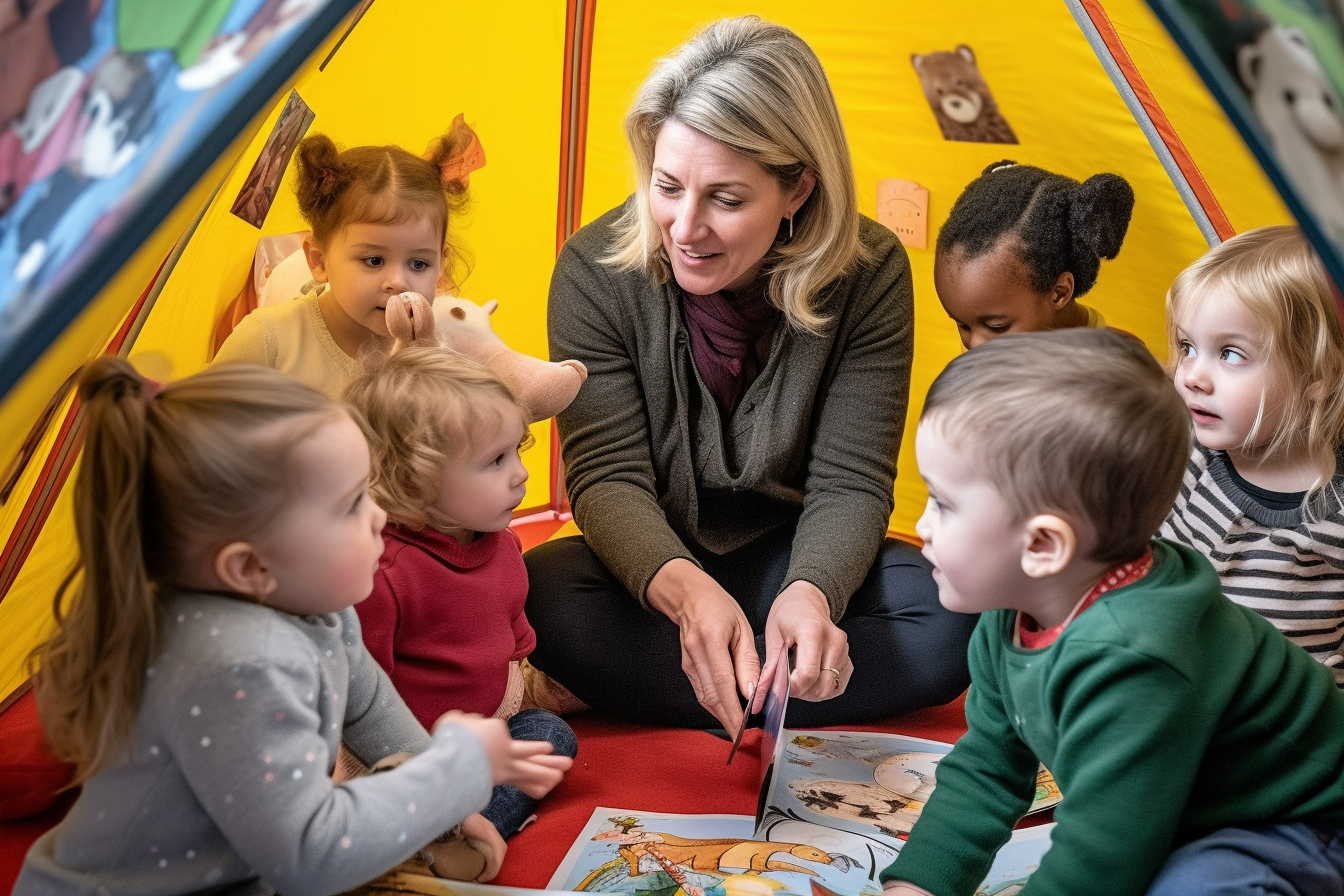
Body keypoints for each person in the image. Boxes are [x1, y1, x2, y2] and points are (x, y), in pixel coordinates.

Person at [524, 15, 977, 732]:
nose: (684, 227)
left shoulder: (871, 271)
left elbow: (853, 480)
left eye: (726, 200)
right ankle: (779, 688)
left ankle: (687, 683)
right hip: (658, 571)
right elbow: (607, 478)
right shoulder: (593, 269)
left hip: (791, 560)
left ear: (797, 189)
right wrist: (685, 594)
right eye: (667, 186)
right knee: (538, 592)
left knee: (954, 620)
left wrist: (813, 594)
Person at [14, 358, 571, 896]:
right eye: (352, 504)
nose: (381, 515)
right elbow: (310, 854)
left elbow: (370, 707)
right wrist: (454, 771)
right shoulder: (238, 661)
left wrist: (449, 812)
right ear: (251, 567)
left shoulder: (316, 605)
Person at [879, 328, 1344, 896]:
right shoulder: (1012, 612)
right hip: (1174, 806)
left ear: (1044, 546)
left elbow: (1102, 860)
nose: (921, 527)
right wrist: (919, 884)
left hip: (1299, 821)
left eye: (944, 505)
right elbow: (988, 767)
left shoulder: (1134, 656)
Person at [344, 344, 580, 881]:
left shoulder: (500, 541)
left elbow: (508, 622)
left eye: (517, 450)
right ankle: (431, 841)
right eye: (495, 461)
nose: (521, 474)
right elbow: (356, 695)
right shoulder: (383, 573)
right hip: (408, 757)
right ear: (413, 484)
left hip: (489, 727)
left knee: (550, 738)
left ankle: (459, 826)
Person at [1159, 225, 1344, 682]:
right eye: (1187, 347)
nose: (1193, 376)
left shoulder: (1335, 518)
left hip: (1280, 730)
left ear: (1317, 374)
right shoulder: (1180, 448)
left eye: (1230, 354)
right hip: (1165, 685)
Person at [213, 120, 474, 396]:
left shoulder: (441, 355)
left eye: (419, 264)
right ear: (318, 261)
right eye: (374, 260)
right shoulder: (268, 341)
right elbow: (193, 430)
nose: (398, 282)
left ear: (441, 267)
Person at [933, 160, 1134, 349]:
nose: (974, 346)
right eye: (962, 325)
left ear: (1060, 293)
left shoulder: (1120, 374)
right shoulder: (993, 341)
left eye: (997, 327)